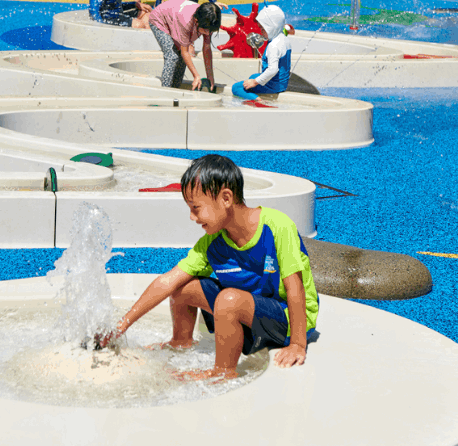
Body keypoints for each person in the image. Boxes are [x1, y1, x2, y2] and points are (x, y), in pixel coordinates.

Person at [100, 154, 318, 380]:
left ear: (225, 198)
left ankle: (224, 371)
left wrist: (298, 344)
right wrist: (121, 326)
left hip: (286, 320)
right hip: (247, 312)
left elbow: (295, 288)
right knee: (183, 287)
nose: (192, 217)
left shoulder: (277, 226)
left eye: (196, 207)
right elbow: (168, 281)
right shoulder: (212, 242)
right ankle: (180, 341)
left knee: (228, 300)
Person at [148, 0, 221, 91]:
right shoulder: (186, 22)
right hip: (159, 20)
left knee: (182, 58)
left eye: (210, 31)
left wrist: (210, 77)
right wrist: (196, 76)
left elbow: (206, 49)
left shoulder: (208, 22)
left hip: (175, 18)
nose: (208, 33)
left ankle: (176, 89)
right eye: (205, 30)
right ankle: (165, 90)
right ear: (196, 21)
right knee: (172, 55)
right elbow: (185, 52)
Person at [233, 4, 291, 101]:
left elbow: (273, 69)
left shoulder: (273, 46)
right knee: (252, 76)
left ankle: (259, 101)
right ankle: (257, 86)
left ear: (272, 27)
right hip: (282, 84)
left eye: (263, 28)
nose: (261, 31)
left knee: (236, 88)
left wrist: (255, 82)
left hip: (273, 86)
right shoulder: (284, 39)